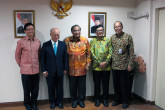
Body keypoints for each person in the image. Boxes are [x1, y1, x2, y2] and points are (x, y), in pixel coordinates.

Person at [41, 28, 68, 110]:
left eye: (58, 34)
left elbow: (65, 58)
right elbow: (42, 59)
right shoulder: (45, 45)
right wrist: (44, 70)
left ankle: (59, 102)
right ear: (51, 34)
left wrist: (65, 68)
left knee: (60, 88)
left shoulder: (63, 44)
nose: (57, 36)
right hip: (49, 71)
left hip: (60, 70)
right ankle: (52, 102)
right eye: (55, 34)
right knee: (51, 88)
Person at [15, 23, 40, 110]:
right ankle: (27, 104)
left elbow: (39, 54)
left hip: (36, 70)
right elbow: (17, 56)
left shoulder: (37, 41)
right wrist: (22, 65)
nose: (30, 31)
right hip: (25, 71)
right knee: (26, 89)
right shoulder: (21, 42)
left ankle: (34, 104)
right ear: (25, 31)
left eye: (32, 29)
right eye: (28, 29)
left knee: (35, 89)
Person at [64, 25, 91, 108]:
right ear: (72, 32)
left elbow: (88, 54)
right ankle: (74, 101)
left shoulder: (85, 40)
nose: (77, 32)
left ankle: (81, 101)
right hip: (71, 69)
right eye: (75, 30)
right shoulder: (66, 41)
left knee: (82, 87)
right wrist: (65, 68)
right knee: (72, 87)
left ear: (80, 31)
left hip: (82, 68)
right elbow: (63, 55)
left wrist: (88, 64)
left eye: (78, 30)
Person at [111, 21, 135, 109]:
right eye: (115, 27)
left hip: (124, 66)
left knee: (124, 85)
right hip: (114, 66)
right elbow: (111, 51)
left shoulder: (128, 37)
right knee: (116, 84)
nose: (117, 28)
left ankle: (125, 101)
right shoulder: (112, 38)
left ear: (122, 27)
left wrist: (130, 64)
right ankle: (117, 99)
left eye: (118, 26)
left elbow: (131, 52)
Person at [90, 25, 112, 107]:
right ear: (95, 32)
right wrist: (99, 62)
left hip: (106, 67)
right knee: (97, 84)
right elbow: (92, 53)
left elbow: (111, 52)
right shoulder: (92, 41)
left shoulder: (108, 40)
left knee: (106, 84)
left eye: (101, 30)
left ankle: (105, 99)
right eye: (98, 30)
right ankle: (97, 99)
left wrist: (106, 62)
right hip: (96, 67)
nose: (100, 32)